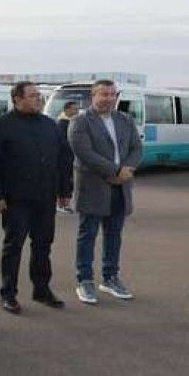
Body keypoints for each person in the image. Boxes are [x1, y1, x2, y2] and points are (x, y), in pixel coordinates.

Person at [0, 81, 71, 314]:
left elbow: (62, 160)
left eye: (39, 96)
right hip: (15, 199)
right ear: (17, 99)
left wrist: (64, 190)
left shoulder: (50, 126)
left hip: (45, 197)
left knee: (43, 245)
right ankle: (8, 293)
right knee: (13, 247)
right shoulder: (0, 126)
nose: (38, 99)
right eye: (32, 96)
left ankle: (41, 289)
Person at [68, 81, 143, 304]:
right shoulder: (80, 121)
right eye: (104, 94)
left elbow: (137, 148)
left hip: (121, 188)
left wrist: (127, 169)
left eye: (112, 94)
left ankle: (110, 278)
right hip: (94, 186)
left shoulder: (125, 120)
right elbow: (84, 153)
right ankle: (85, 281)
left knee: (113, 235)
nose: (109, 98)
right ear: (93, 96)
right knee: (87, 235)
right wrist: (115, 171)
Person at [56, 101, 80, 214]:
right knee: (64, 181)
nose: (77, 111)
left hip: (71, 158)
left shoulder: (72, 122)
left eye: (77, 109)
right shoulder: (62, 123)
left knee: (69, 181)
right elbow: (63, 142)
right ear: (67, 110)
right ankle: (62, 204)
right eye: (74, 109)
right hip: (64, 159)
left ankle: (66, 203)